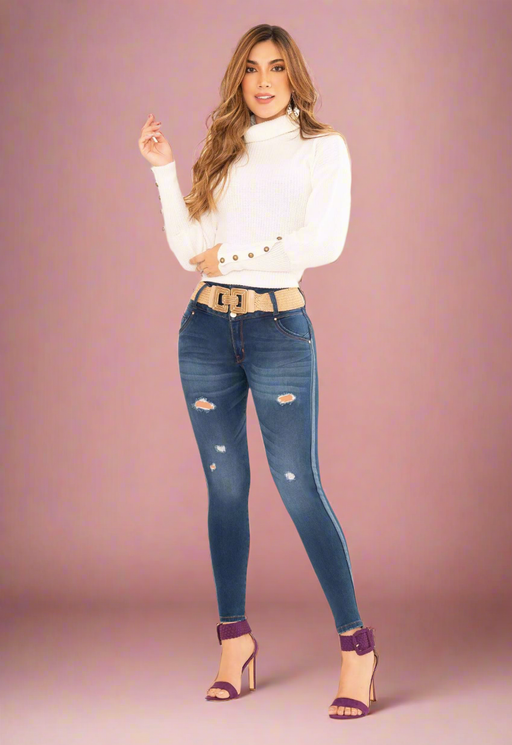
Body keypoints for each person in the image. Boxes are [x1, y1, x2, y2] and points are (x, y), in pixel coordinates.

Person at [138, 23, 379, 720]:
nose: (263, 81)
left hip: (277, 330)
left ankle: (357, 648)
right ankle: (234, 642)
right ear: (238, 79)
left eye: (275, 67)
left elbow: (323, 242)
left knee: (299, 486)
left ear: (293, 74)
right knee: (225, 489)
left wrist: (236, 257)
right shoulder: (226, 148)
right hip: (205, 330)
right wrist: (163, 169)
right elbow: (190, 249)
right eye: (250, 69)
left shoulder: (322, 148)